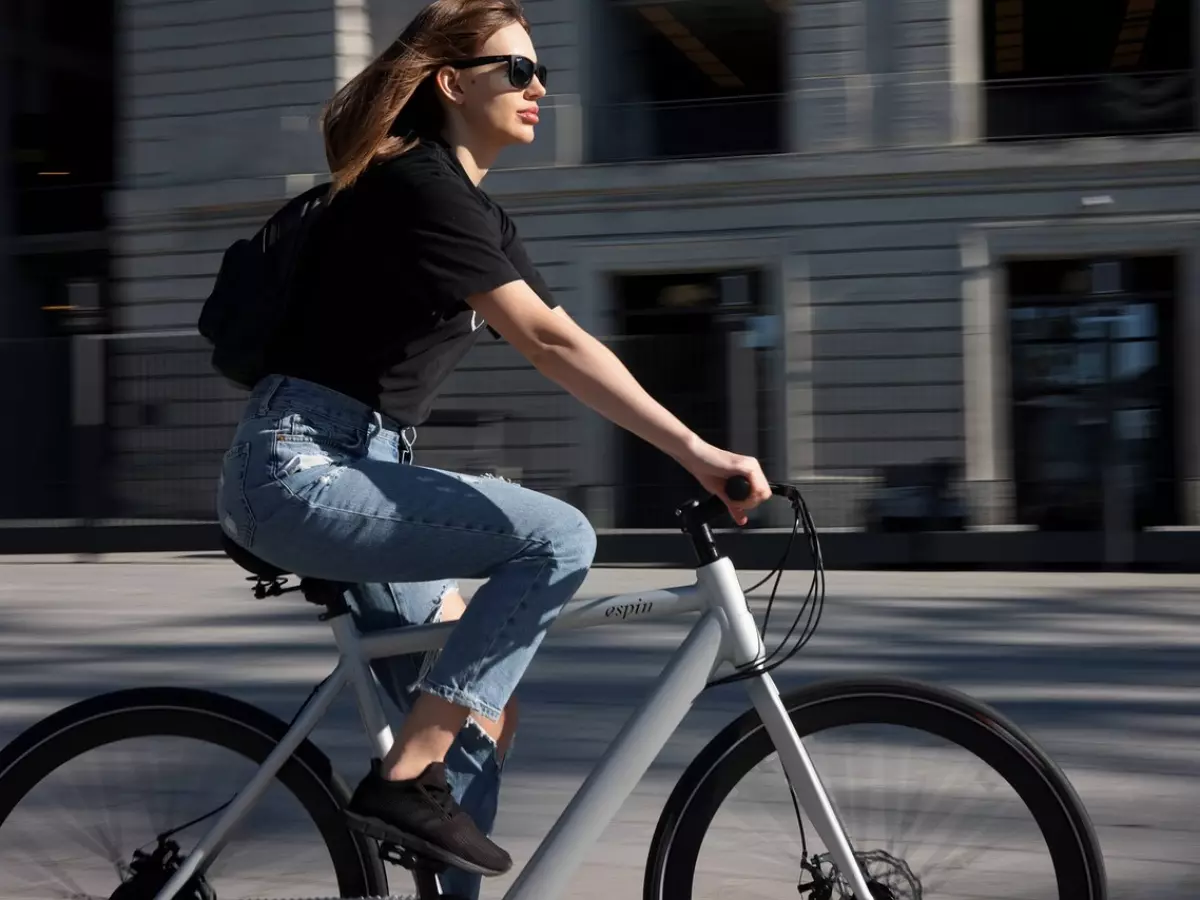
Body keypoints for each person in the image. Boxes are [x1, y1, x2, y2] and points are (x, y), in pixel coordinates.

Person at [215, 0, 771, 896]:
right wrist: (700, 452)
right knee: (558, 538)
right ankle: (403, 780)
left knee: (478, 721)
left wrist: (693, 448)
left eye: (540, 70)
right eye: (516, 69)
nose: (537, 86)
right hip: (302, 467)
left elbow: (565, 332)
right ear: (451, 83)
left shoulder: (469, 210)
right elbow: (547, 349)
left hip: (359, 466)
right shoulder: (416, 185)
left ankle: (422, 787)